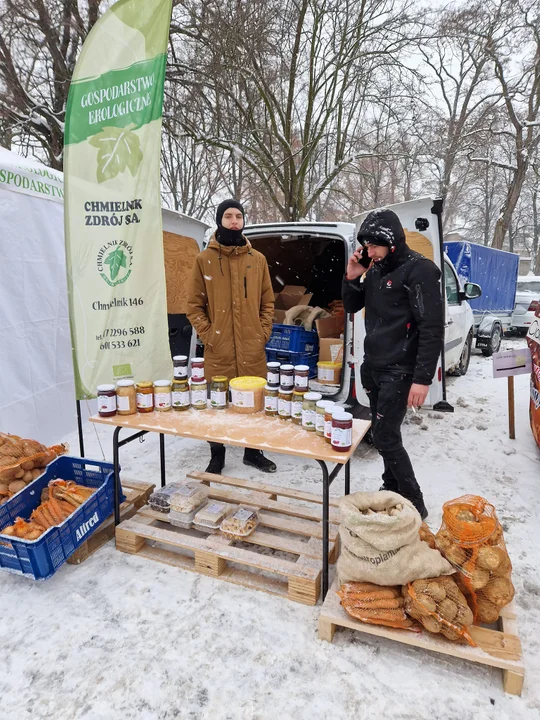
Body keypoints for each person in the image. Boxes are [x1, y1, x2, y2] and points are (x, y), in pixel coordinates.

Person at [341, 208, 444, 519]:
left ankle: (415, 502)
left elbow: (431, 326)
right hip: (374, 366)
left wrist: (423, 379)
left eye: (374, 246)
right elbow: (350, 305)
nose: (369, 252)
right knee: (386, 434)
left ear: (392, 242)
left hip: (401, 370)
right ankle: (391, 488)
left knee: (385, 436)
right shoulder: (374, 270)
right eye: (366, 247)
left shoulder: (420, 270)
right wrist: (351, 275)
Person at [186, 199, 277, 474]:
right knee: (218, 403)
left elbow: (268, 303)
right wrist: (209, 335)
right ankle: (217, 455)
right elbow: (193, 305)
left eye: (238, 216)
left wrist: (262, 333)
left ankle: (253, 452)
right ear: (220, 220)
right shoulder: (205, 260)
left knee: (254, 402)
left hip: (252, 347)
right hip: (219, 348)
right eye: (228, 216)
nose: (234, 221)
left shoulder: (257, 260)